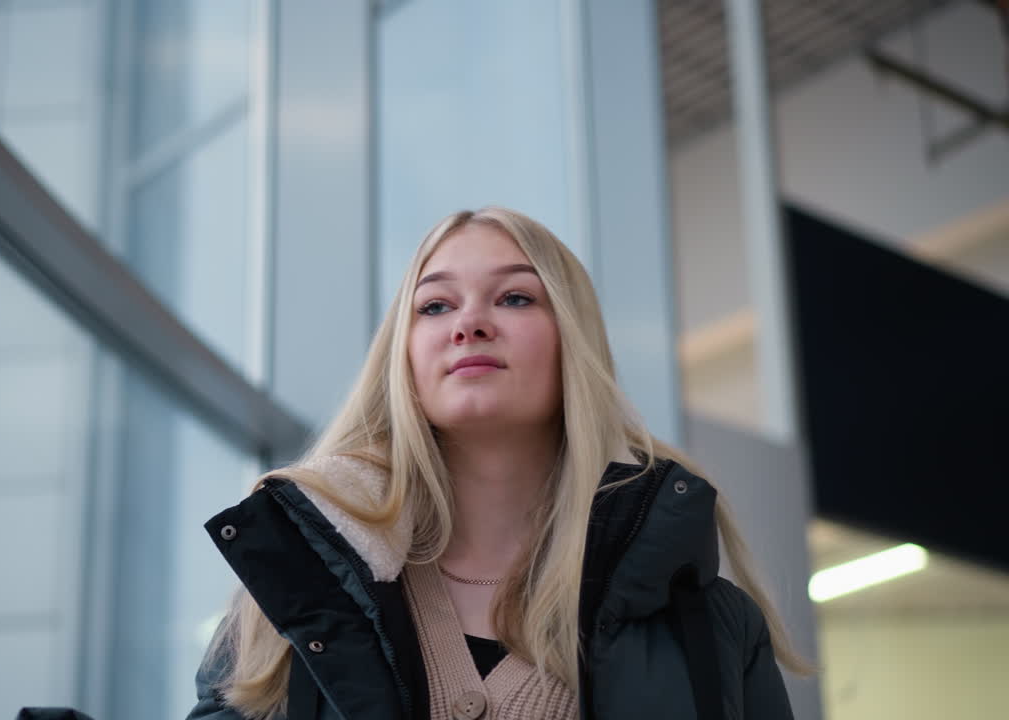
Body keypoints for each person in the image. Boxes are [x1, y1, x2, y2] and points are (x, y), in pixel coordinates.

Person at [187, 207, 811, 720]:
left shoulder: (714, 625)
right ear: (402, 357)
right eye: (435, 306)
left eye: (514, 297)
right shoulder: (293, 589)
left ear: (574, 341)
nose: (469, 324)